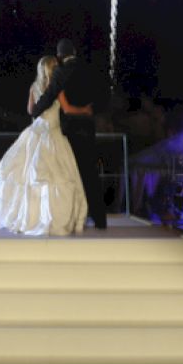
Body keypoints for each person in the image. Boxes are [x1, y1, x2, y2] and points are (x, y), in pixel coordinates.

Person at [0, 51, 90, 235]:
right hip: (52, 134)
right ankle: (51, 218)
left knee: (28, 176)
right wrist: (85, 110)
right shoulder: (57, 88)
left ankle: (29, 217)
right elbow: (68, 109)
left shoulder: (34, 86)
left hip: (35, 133)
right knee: (55, 175)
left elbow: (30, 110)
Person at [28, 38, 108, 230]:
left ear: (60, 56)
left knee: (70, 175)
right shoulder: (89, 70)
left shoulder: (61, 72)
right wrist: (91, 111)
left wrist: (35, 112)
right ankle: (100, 219)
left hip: (69, 130)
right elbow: (101, 93)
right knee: (90, 172)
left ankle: (69, 216)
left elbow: (49, 96)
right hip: (88, 128)